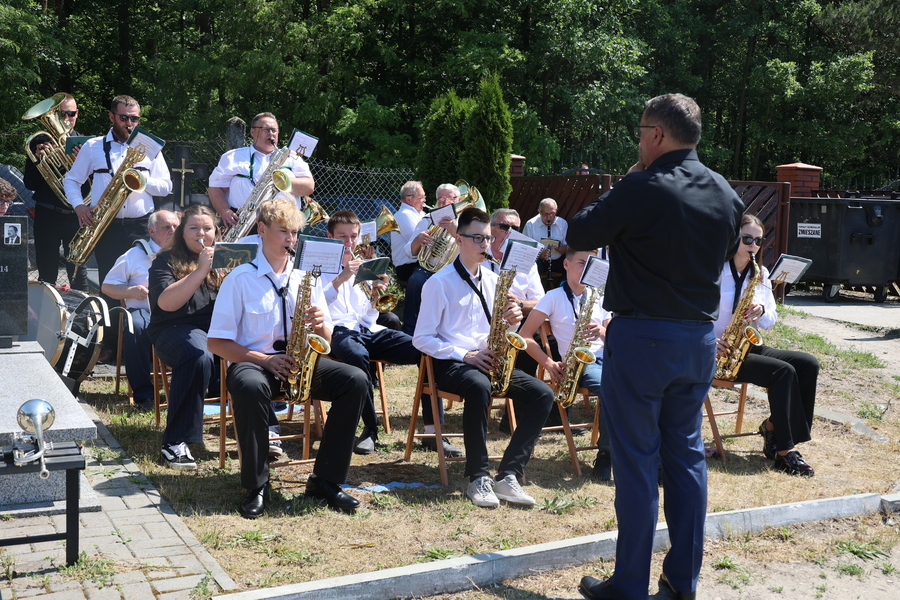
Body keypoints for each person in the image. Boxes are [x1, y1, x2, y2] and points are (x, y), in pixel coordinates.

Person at [568, 93, 744, 600]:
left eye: (641, 132)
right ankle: (682, 582)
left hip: (643, 337)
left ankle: (629, 584)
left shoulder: (640, 186)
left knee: (637, 461)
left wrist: (626, 182)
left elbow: (579, 232)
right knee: (687, 458)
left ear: (656, 135)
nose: (639, 141)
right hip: (697, 338)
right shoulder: (726, 193)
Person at [208, 197, 367, 518]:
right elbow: (217, 342)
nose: (291, 240)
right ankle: (256, 485)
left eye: (295, 233)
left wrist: (322, 325)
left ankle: (326, 480)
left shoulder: (305, 279)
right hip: (254, 362)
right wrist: (264, 361)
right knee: (249, 387)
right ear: (263, 230)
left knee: (355, 381)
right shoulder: (239, 279)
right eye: (284, 232)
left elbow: (323, 340)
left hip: (299, 360)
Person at [413, 207, 554, 508]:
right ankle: (478, 476)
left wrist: (513, 319)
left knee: (542, 394)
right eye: (477, 238)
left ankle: (508, 474)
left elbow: (501, 330)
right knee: (479, 386)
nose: (484, 245)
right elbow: (422, 338)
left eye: (488, 239)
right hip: (449, 363)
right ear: (459, 240)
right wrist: (465, 355)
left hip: (488, 359)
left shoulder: (492, 280)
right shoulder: (438, 283)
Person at [715, 214, 818, 476]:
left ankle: (774, 426)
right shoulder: (712, 272)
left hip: (749, 347)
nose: (752, 245)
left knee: (808, 364)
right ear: (732, 239)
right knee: (783, 372)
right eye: (746, 238)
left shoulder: (761, 274)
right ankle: (785, 451)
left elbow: (771, 321)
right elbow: (692, 312)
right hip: (720, 353)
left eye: (758, 240)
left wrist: (761, 309)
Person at [321, 211, 422, 455]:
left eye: (353, 236)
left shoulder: (366, 266)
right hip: (336, 331)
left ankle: (430, 426)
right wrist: (342, 277)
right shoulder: (319, 266)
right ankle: (370, 428)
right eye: (342, 236)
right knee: (356, 356)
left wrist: (375, 295)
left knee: (423, 348)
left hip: (367, 329)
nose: (349, 242)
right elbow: (315, 303)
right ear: (330, 237)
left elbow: (367, 317)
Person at [519, 248, 613, 480]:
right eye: (581, 263)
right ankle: (607, 456)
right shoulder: (553, 297)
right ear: (566, 265)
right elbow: (525, 336)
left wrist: (602, 331)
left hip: (609, 359)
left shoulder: (598, 295)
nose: (586, 269)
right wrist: (549, 363)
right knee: (613, 391)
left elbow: (614, 336)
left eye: (591, 264)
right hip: (579, 365)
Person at [148, 205, 220, 469]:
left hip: (216, 328)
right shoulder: (164, 261)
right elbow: (167, 303)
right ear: (182, 231)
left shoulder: (227, 258)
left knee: (256, 347)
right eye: (193, 228)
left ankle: (265, 428)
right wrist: (200, 271)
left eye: (207, 228)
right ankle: (175, 441)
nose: (201, 233)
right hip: (173, 328)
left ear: (215, 231)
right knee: (197, 355)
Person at [101, 210, 180, 411]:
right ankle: (144, 395)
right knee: (135, 327)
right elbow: (107, 287)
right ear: (151, 231)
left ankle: (213, 390)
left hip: (179, 312)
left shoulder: (186, 252)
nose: (172, 231)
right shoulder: (134, 255)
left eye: (176, 227)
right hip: (145, 311)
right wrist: (130, 291)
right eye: (166, 228)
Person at [23, 93, 89, 290]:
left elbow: (94, 185)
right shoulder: (41, 142)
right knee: (47, 272)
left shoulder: (86, 144)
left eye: (70, 113)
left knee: (78, 270)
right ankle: (46, 317)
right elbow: (30, 183)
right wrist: (39, 160)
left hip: (76, 215)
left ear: (77, 113)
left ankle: (83, 317)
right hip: (47, 213)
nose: (66, 119)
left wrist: (84, 163)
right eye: (61, 115)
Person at [208, 112, 315, 229]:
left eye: (274, 130)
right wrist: (224, 211)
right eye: (266, 129)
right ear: (252, 132)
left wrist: (281, 181)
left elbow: (309, 187)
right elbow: (215, 186)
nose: (271, 134)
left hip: (285, 222)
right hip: (243, 222)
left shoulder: (292, 157)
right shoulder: (232, 157)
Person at [400, 183, 460, 335]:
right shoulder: (428, 219)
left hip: (454, 271)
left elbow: (473, 250)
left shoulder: (466, 224)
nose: (444, 203)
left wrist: (455, 232)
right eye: (440, 199)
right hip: (428, 268)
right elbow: (409, 252)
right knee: (415, 280)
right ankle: (409, 331)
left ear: (458, 200)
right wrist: (417, 241)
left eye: (449, 199)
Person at [522, 198, 568, 290]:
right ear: (539, 211)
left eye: (552, 213)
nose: (549, 217)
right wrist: (540, 255)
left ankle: (563, 291)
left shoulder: (562, 223)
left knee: (571, 265)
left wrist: (559, 249)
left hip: (558, 259)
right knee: (531, 267)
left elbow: (569, 247)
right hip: (540, 261)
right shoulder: (531, 224)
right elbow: (525, 249)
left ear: (556, 211)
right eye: (546, 214)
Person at [390, 181, 428, 283]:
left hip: (418, 263)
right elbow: (419, 244)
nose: (424, 201)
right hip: (408, 267)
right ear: (409, 199)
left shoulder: (420, 213)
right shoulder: (404, 214)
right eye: (421, 198)